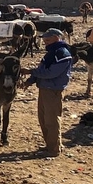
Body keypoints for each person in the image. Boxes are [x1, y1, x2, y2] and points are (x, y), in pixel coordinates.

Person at [20, 28, 73, 157]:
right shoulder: (51, 53)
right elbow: (42, 69)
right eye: (44, 41)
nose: (45, 43)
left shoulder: (62, 53)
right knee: (44, 119)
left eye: (48, 40)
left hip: (53, 90)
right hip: (44, 89)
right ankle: (50, 145)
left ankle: (54, 149)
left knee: (52, 120)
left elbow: (51, 73)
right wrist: (30, 81)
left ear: (56, 38)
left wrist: (30, 72)